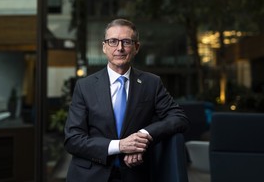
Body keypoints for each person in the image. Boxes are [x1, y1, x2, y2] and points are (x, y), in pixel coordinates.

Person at [64, 19, 189, 182]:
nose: (119, 48)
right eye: (113, 41)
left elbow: (179, 118)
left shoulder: (151, 83)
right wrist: (120, 145)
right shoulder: (85, 86)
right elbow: (73, 139)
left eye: (126, 42)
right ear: (104, 47)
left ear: (136, 47)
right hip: (90, 175)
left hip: (135, 175)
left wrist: (143, 136)